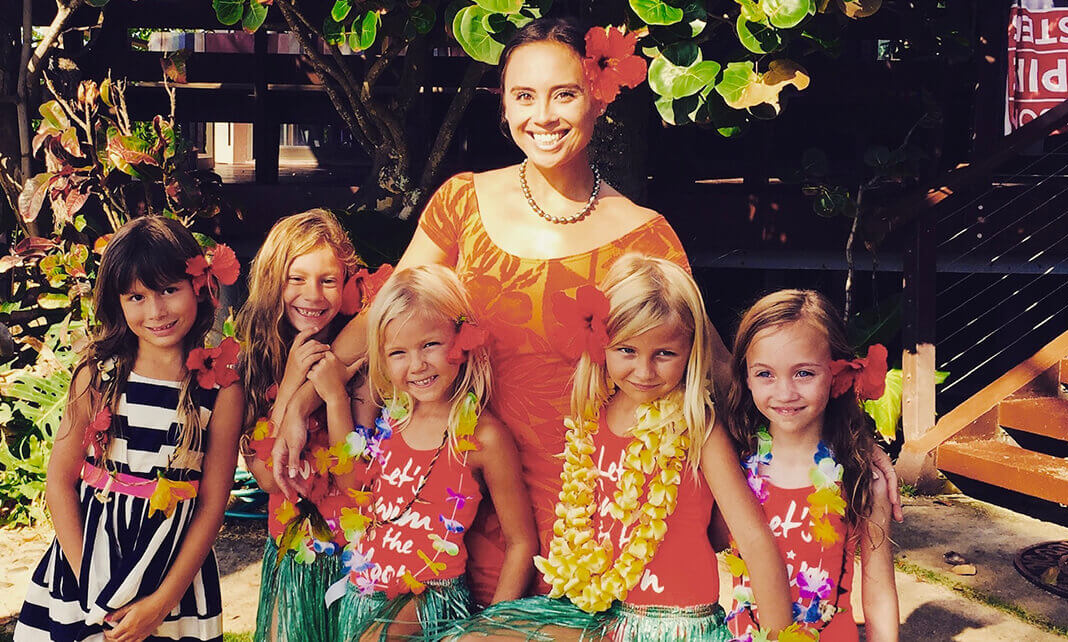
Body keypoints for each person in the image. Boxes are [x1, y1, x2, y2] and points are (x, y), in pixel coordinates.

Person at [270, 16, 900, 606]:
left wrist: (853, 437)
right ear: (504, 104)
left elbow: (724, 370)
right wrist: (298, 400)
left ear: (599, 98)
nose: (542, 116)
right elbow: (385, 315)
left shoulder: (643, 233)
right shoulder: (463, 202)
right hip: (473, 504)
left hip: (602, 520)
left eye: (563, 94)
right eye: (523, 96)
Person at [455, 255, 793, 641]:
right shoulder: (593, 416)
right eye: (626, 351)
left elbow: (753, 539)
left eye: (664, 354)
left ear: (691, 351)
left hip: (670, 624)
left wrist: (778, 635)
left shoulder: (698, 427)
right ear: (601, 345)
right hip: (598, 615)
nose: (644, 371)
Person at [15, 216, 244, 642]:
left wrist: (159, 603)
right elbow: (60, 481)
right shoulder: (98, 374)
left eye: (169, 290)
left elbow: (213, 505)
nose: (155, 311)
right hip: (85, 566)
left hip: (173, 580)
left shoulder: (219, 387)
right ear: (116, 302)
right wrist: (91, 582)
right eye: (136, 296)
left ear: (198, 285)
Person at [320, 265, 536, 641]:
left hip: (429, 601)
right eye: (398, 353)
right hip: (364, 595)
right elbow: (353, 482)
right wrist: (336, 399)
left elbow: (521, 542)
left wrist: (488, 630)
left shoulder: (483, 436)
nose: (417, 365)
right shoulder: (392, 419)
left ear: (461, 340)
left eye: (430, 345)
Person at [722, 290, 899, 641]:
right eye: (765, 374)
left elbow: (878, 596)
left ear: (837, 373)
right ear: (745, 378)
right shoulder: (732, 471)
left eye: (803, 373)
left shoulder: (861, 478)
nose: (785, 392)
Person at [235, 209, 376, 642]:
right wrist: (294, 383)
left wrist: (334, 393)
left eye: (327, 280)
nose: (312, 295)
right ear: (273, 280)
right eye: (296, 279)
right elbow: (267, 479)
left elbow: (357, 476)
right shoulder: (254, 364)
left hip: (357, 556)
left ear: (347, 283)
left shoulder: (362, 359)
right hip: (294, 556)